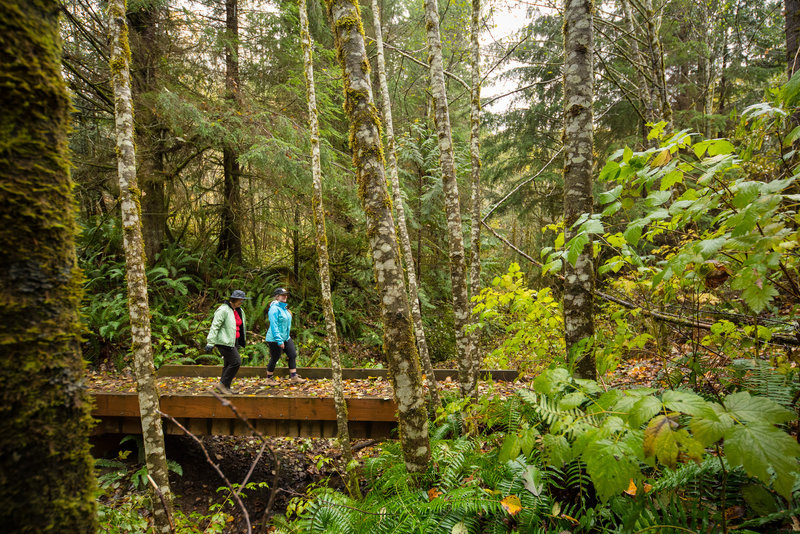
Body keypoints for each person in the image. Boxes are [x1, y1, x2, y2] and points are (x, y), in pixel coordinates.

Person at [205, 289, 249, 394]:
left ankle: (226, 387)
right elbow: (215, 326)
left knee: (228, 364)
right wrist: (210, 342)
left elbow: (240, 326)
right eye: (240, 300)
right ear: (233, 299)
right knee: (236, 362)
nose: (241, 302)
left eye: (242, 300)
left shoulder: (239, 310)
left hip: (234, 341)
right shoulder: (223, 310)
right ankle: (222, 385)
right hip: (224, 341)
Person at [265, 287, 305, 384]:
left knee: (292, 354)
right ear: (277, 297)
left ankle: (294, 377)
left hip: (286, 337)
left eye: (286, 295)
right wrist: (279, 340)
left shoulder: (284, 308)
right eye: (283, 295)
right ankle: (269, 379)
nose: (285, 296)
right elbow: (274, 326)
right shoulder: (274, 309)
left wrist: (285, 338)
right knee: (275, 357)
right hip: (274, 338)